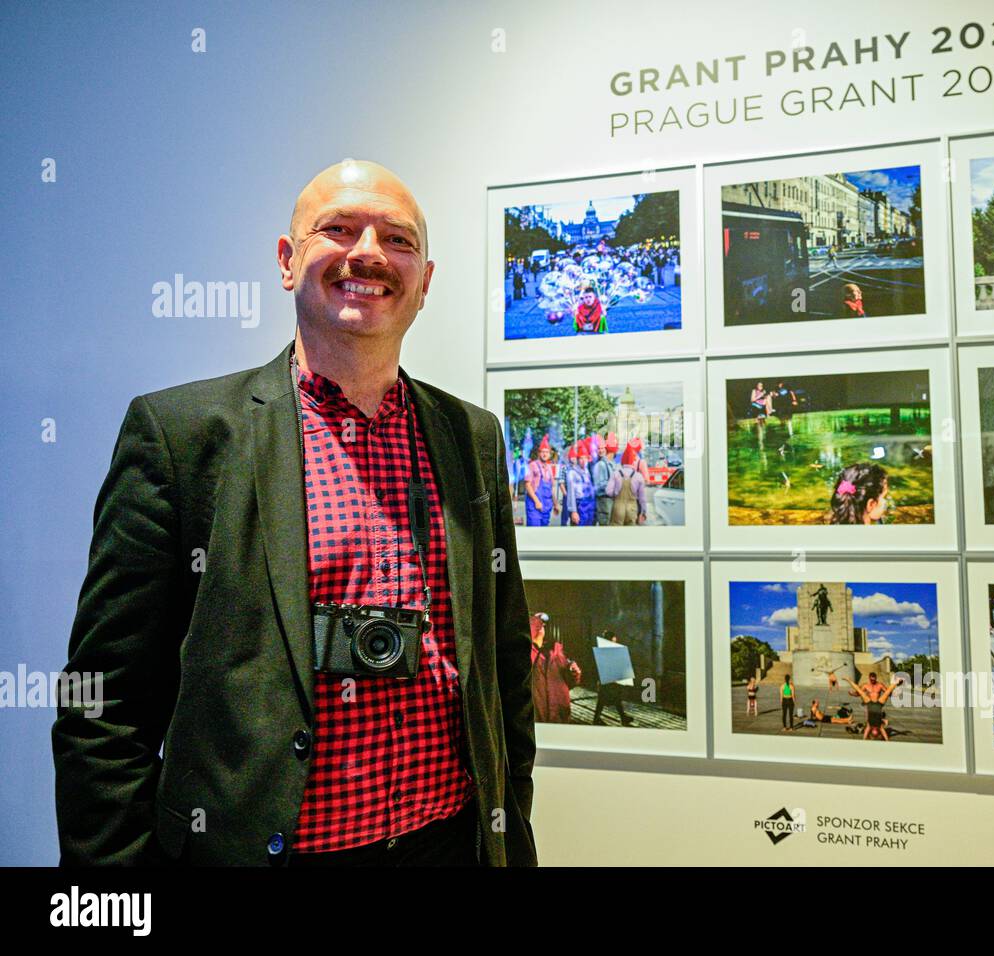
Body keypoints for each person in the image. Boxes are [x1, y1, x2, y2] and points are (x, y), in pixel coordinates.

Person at [51, 160, 537, 866]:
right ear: (287, 261)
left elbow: (505, 666)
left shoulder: (472, 437)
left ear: (426, 280)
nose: (368, 253)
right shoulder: (182, 438)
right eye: (338, 229)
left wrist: (509, 827)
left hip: (447, 845)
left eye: (397, 239)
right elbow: (105, 704)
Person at [529, 613, 581, 724]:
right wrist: (535, 643)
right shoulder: (527, 652)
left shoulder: (557, 651)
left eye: (543, 625)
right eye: (537, 624)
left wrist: (574, 673)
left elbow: (570, 683)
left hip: (559, 717)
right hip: (537, 717)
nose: (541, 628)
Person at [592, 632, 634, 726]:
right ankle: (596, 719)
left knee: (615, 699)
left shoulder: (609, 650)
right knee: (603, 700)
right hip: (606, 680)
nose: (615, 642)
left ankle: (622, 717)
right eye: (613, 640)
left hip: (611, 680)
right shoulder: (602, 651)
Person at [605, 445, 647, 526]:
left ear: (622, 461)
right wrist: (643, 512)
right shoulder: (638, 476)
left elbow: (608, 492)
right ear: (633, 462)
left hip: (618, 507)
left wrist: (616, 493)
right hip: (632, 509)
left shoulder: (616, 474)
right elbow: (642, 498)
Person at [524, 435, 559, 526]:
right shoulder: (532, 465)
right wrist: (536, 501)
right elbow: (527, 485)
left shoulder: (549, 468)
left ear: (549, 454)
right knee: (534, 531)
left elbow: (552, 488)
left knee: (544, 532)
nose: (545, 454)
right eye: (543, 452)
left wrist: (555, 504)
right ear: (539, 453)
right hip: (534, 506)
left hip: (546, 507)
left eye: (547, 452)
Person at [591, 433, 619, 526]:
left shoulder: (609, 463)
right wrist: (614, 484)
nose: (601, 450)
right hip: (603, 500)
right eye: (598, 448)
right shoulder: (600, 464)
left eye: (602, 448)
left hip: (609, 500)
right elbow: (598, 486)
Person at [565, 444, 597, 526]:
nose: (583, 461)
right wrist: (573, 511)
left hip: (589, 506)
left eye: (585, 458)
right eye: (581, 458)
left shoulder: (587, 471)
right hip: (579, 505)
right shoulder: (572, 473)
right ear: (577, 459)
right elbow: (571, 494)